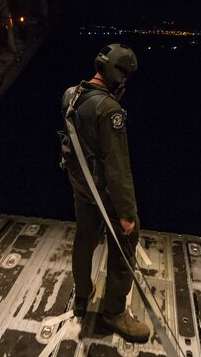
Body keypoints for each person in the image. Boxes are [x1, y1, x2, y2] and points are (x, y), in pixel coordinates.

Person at [60, 43, 151, 344]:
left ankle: (82, 298)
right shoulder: (110, 109)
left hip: (80, 186)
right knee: (126, 241)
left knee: (84, 237)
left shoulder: (70, 95)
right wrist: (126, 213)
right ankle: (114, 312)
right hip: (104, 192)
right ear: (116, 74)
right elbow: (117, 167)